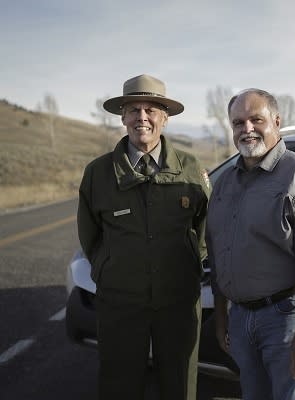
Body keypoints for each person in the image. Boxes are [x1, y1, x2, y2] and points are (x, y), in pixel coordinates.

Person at [77, 74, 210, 400]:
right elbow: (90, 236)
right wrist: (110, 270)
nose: (142, 117)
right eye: (134, 109)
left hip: (178, 300)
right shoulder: (97, 173)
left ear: (164, 117)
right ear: (122, 117)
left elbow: (206, 228)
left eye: (151, 109)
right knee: (118, 383)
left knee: (179, 383)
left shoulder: (191, 167)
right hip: (120, 301)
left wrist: (193, 267)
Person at [206, 88, 295, 400]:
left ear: (276, 121)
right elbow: (217, 247)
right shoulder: (226, 183)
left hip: (289, 318)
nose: (247, 129)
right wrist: (223, 314)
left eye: (256, 119)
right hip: (241, 318)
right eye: (238, 122)